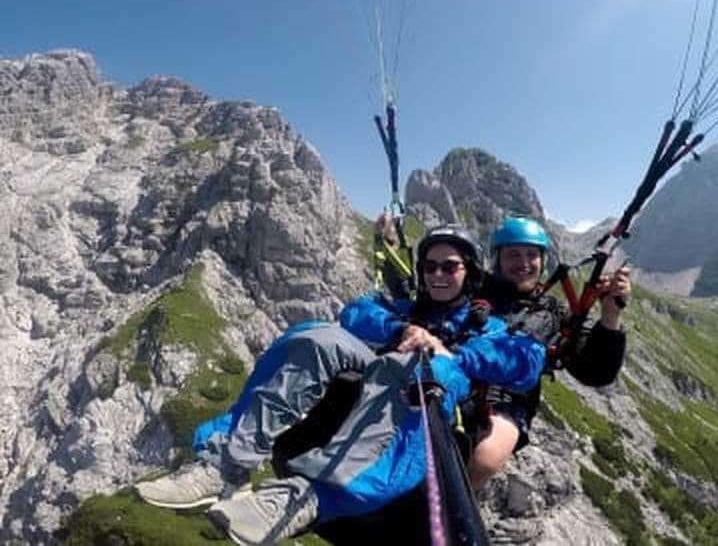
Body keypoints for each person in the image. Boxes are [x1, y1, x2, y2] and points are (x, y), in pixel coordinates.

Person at [135, 225, 545, 545]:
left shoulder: (485, 327)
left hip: (431, 392)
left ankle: (314, 496)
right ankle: (228, 462)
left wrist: (448, 351)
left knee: (420, 369)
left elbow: (527, 359)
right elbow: (354, 313)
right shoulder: (403, 310)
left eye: (449, 266)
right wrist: (402, 327)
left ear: (469, 272)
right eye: (430, 266)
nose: (438, 274)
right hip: (384, 369)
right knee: (316, 335)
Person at [465, 216, 630, 487]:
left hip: (506, 408)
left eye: (532, 255)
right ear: (498, 259)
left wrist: (610, 314)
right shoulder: (470, 292)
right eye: (513, 255)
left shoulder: (555, 314)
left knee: (482, 460)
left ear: (543, 260)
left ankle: (449, 515)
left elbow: (596, 372)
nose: (524, 263)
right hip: (454, 389)